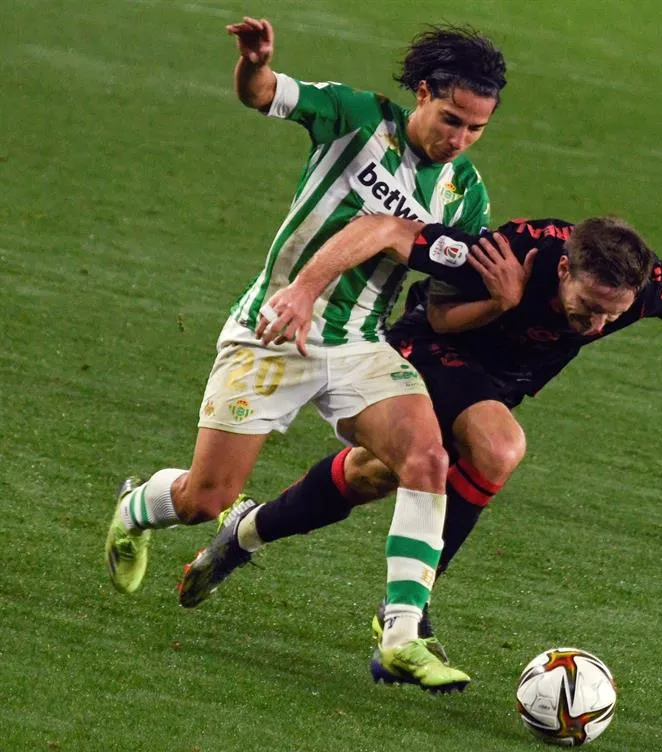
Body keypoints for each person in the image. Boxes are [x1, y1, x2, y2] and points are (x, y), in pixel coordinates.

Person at [177, 213, 662, 660]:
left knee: (376, 474)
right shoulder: (508, 251)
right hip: (421, 350)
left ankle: (245, 532)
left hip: (495, 381)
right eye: (587, 306)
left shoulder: (647, 285)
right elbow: (408, 274)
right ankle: (406, 613)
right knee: (499, 445)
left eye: (614, 313)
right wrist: (498, 300)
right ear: (566, 268)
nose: (598, 325)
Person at [104, 15, 507, 692]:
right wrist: (254, 63)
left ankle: (403, 630)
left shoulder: (466, 195)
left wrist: (497, 300)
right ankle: (135, 507)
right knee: (207, 498)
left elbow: (441, 305)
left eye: (475, 128)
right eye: (451, 118)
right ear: (423, 91)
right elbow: (263, 94)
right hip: (272, 332)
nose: (459, 138)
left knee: (427, 457)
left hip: (358, 343)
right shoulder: (354, 117)